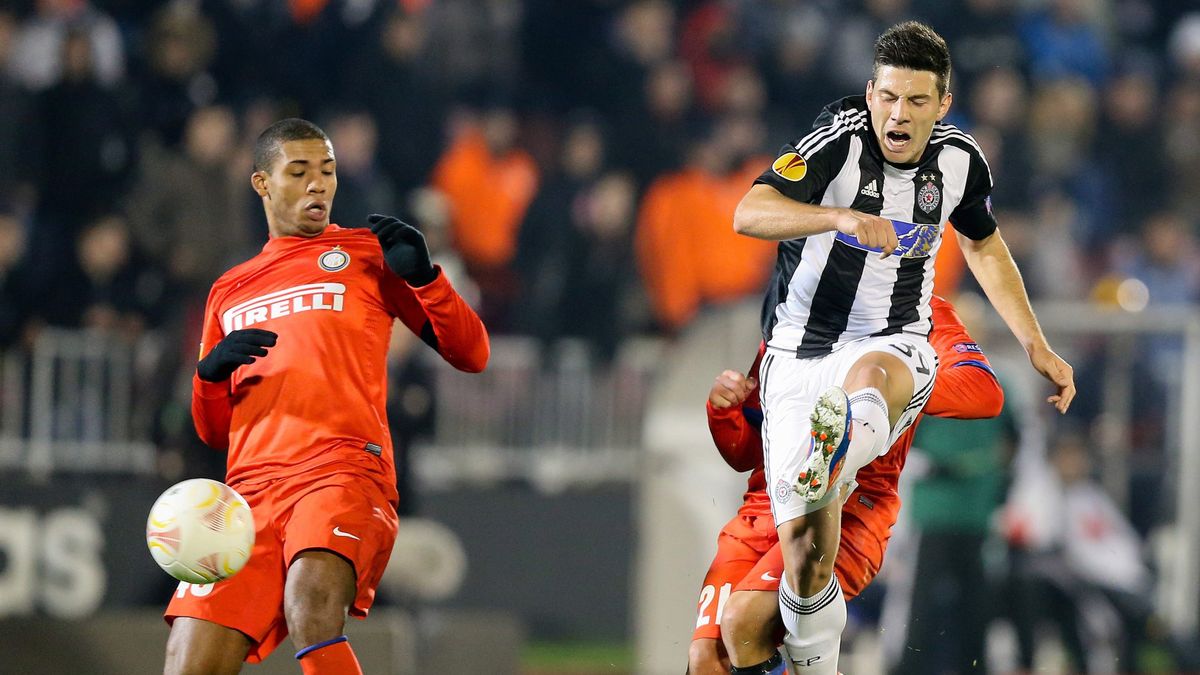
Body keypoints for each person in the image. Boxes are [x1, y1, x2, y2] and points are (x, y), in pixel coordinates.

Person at [731, 21, 1075, 674]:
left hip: (896, 342)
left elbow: (983, 244)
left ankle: (839, 444)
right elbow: (749, 212)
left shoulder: (959, 161)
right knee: (805, 557)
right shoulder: (836, 140)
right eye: (888, 97)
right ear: (871, 94)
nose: (899, 113)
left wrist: (1035, 343)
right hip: (798, 358)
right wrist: (837, 216)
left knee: (875, 374)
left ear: (943, 104)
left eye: (917, 100)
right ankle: (817, 658)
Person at [163, 118, 489, 675]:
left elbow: (472, 353)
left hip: (340, 472)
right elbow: (214, 432)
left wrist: (426, 278)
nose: (318, 183)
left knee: (312, 607)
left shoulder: (366, 255)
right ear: (262, 183)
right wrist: (209, 377)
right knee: (187, 660)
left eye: (327, 170)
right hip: (248, 496)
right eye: (299, 171)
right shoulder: (229, 290)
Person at [687, 295, 1005, 674]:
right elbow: (747, 453)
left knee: (744, 621)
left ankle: (842, 455)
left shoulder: (918, 307)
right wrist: (724, 411)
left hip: (850, 508)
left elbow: (983, 391)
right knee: (706, 659)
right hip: (763, 508)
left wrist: (895, 382)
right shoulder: (798, 302)